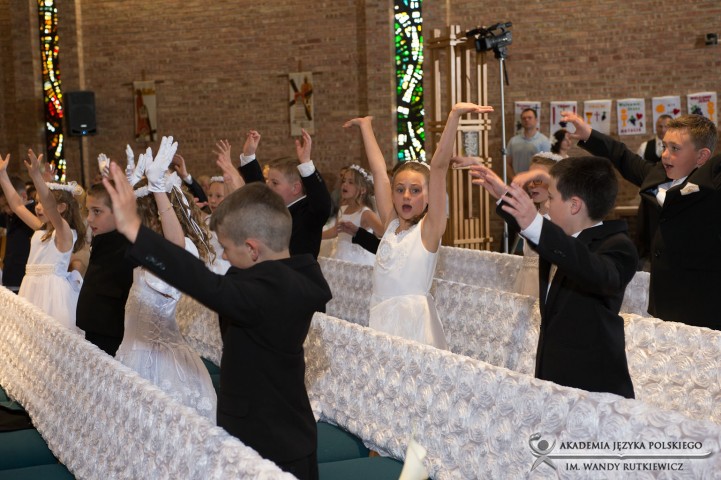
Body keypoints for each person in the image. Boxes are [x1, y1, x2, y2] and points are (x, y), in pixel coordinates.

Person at [103, 161, 331, 480]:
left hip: (268, 441)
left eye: (225, 247)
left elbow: (204, 282)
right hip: (284, 429)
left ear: (252, 248)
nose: (223, 256)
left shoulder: (267, 295)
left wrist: (133, 230)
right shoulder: (295, 276)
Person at [472, 156, 637, 398]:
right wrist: (505, 197)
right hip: (553, 374)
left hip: (592, 386)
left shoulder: (618, 246)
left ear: (574, 206)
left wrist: (535, 223)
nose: (546, 206)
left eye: (551, 198)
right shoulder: (563, 238)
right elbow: (545, 236)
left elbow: (594, 270)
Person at [344, 103, 493, 349]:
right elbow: (379, 172)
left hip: (413, 326)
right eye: (400, 189)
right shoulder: (390, 223)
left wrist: (454, 115)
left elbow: (439, 167)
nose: (406, 196)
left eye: (415, 191)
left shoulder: (428, 230)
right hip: (381, 317)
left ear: (428, 196)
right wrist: (365, 127)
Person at [563, 111, 721, 330]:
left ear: (702, 156)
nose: (665, 155)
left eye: (675, 148)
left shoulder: (713, 185)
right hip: (663, 298)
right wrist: (589, 134)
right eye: (664, 146)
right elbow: (623, 157)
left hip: (702, 302)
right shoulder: (658, 176)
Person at [115, 137, 217, 421]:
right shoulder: (149, 251)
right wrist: (127, 187)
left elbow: (176, 249)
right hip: (132, 351)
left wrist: (158, 190)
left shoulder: (182, 248)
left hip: (162, 363)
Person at [0, 150, 86, 330]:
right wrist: (2, 175)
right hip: (30, 288)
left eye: (41, 203)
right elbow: (16, 205)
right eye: (36, 202)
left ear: (61, 207)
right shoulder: (41, 229)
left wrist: (37, 177)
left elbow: (50, 206)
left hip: (51, 295)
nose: (38, 207)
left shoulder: (64, 232)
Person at [239, 129, 332, 258]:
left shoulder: (308, 213)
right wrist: (249, 155)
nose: (268, 186)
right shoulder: (273, 206)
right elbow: (257, 189)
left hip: (296, 270)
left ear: (295, 188)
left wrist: (306, 164)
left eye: (275, 183)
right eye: (268, 181)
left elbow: (322, 204)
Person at [76, 181, 135, 356]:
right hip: (93, 324)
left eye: (97, 211)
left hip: (111, 330)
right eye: (88, 211)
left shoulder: (129, 246)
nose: (89, 218)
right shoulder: (102, 237)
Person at [633, 114, 673, 268]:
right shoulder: (645, 147)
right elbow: (638, 171)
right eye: (660, 126)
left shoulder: (679, 149)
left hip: (671, 198)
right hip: (649, 198)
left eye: (666, 126)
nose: (662, 129)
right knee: (647, 231)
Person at [326, 164, 382, 266]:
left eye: (351, 182)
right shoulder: (343, 208)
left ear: (363, 190)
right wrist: (315, 236)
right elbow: (335, 231)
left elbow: (383, 233)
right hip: (340, 257)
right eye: (344, 181)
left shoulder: (365, 213)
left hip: (358, 261)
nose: (345, 185)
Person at [0, 176, 36, 293]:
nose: (6, 210)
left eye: (8, 204)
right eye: (3, 206)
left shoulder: (33, 211)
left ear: (24, 196)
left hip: (25, 276)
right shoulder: (9, 215)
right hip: (10, 276)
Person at [507, 108, 551, 180]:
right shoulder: (513, 141)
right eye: (524, 118)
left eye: (529, 118)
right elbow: (507, 164)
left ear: (536, 120)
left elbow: (548, 166)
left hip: (536, 183)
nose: (526, 120)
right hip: (517, 182)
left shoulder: (544, 141)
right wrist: (514, 179)